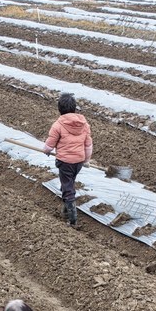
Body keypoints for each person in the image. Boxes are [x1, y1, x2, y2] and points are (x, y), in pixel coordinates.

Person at [43, 93, 93, 229]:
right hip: (78, 162)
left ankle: (73, 220)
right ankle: (65, 211)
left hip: (65, 162)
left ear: (60, 109)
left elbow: (49, 145)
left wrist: (46, 150)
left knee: (68, 189)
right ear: (74, 108)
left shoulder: (58, 125)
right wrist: (86, 160)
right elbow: (88, 145)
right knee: (68, 183)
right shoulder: (84, 125)